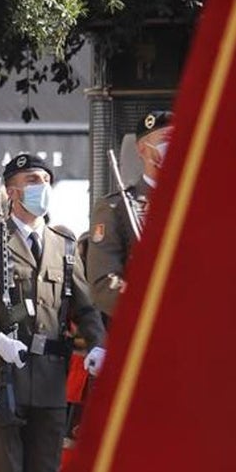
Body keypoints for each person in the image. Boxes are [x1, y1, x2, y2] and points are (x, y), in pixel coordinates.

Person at [0, 152, 106, 472]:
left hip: (51, 379)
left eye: (43, 179)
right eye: (29, 180)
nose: (38, 187)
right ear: (11, 190)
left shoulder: (64, 245)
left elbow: (85, 306)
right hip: (6, 376)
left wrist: (98, 343)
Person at [86, 110, 173, 320]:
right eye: (167, 140)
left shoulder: (196, 205)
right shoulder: (116, 208)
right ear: (143, 149)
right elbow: (104, 284)